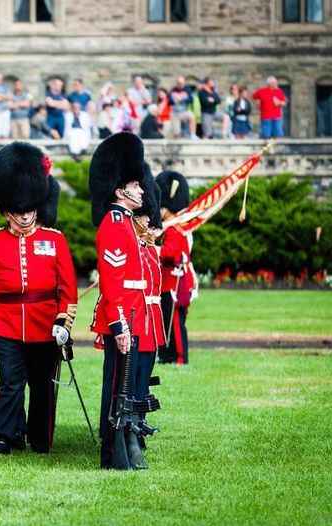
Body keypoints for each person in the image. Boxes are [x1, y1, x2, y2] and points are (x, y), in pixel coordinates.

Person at [0, 142, 78, 455]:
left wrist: (64, 321)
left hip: (45, 322)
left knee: (43, 385)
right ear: (6, 211)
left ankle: (40, 437)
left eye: (29, 210)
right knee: (10, 383)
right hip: (5, 323)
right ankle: (6, 436)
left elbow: (67, 288)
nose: (25, 216)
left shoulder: (54, 240)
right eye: (19, 212)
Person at [88, 132, 148, 470]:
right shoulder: (114, 224)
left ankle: (123, 451)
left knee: (123, 387)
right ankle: (111, 455)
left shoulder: (125, 223)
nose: (141, 190)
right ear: (119, 190)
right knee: (116, 388)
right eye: (135, 185)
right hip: (122, 319)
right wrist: (119, 324)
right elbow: (113, 283)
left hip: (134, 316)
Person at [131, 163, 165, 464]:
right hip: (136, 319)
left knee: (145, 376)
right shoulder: (134, 247)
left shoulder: (150, 249)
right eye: (144, 218)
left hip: (151, 320)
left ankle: (139, 423)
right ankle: (132, 427)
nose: (149, 224)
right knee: (135, 377)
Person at [155, 170, 193, 365]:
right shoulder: (170, 227)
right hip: (167, 283)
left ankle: (179, 357)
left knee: (175, 324)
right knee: (166, 322)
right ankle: (167, 355)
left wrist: (152, 249)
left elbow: (170, 253)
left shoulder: (175, 229)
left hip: (175, 284)